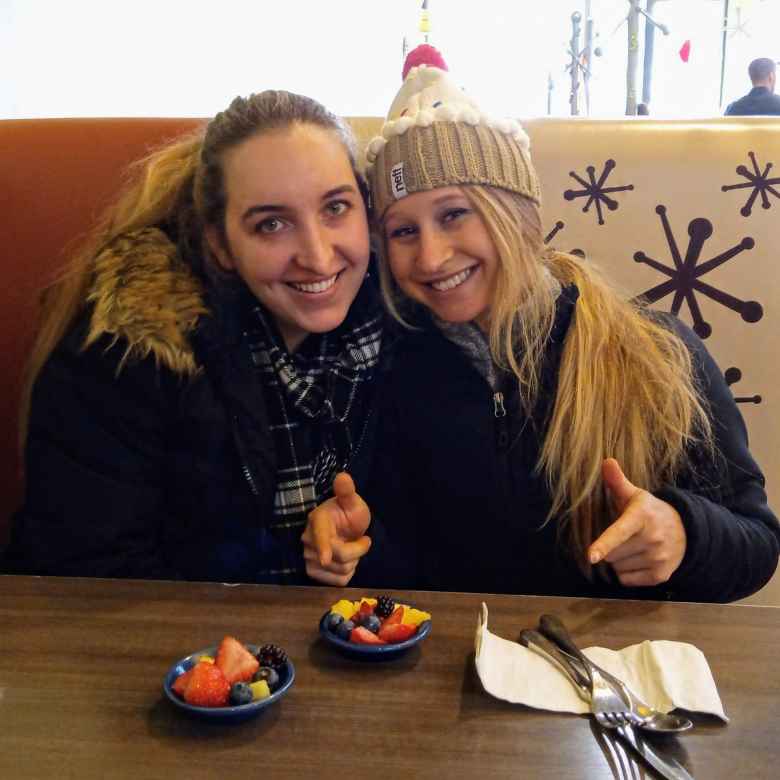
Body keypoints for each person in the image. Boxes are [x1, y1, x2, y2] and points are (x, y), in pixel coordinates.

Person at [310, 46, 780, 602]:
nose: (432, 257)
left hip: (611, 672)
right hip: (450, 673)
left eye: (455, 214)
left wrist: (684, 533)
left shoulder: (657, 352)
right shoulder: (387, 368)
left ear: (517, 212)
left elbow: (757, 544)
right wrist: (357, 544)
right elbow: (407, 572)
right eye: (403, 231)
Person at [2, 90, 379, 585]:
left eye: (335, 207)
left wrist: (353, 538)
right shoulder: (126, 355)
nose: (316, 254)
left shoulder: (392, 323)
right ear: (220, 244)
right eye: (271, 224)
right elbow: (86, 579)